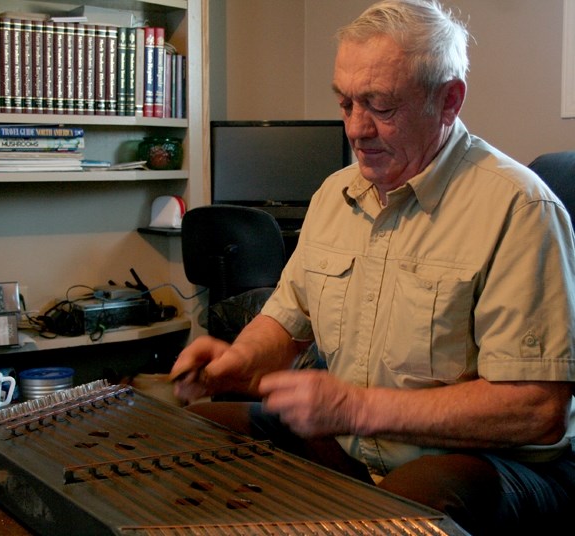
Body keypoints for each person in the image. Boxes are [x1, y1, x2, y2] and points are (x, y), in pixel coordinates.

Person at [171, 1, 575, 534]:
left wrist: (357, 408)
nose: (357, 129)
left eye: (381, 107)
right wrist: (237, 360)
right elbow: (289, 318)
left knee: (400, 514)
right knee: (194, 435)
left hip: (495, 466)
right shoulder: (334, 195)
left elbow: (536, 411)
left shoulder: (519, 209)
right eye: (346, 103)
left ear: (448, 100)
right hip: (356, 449)